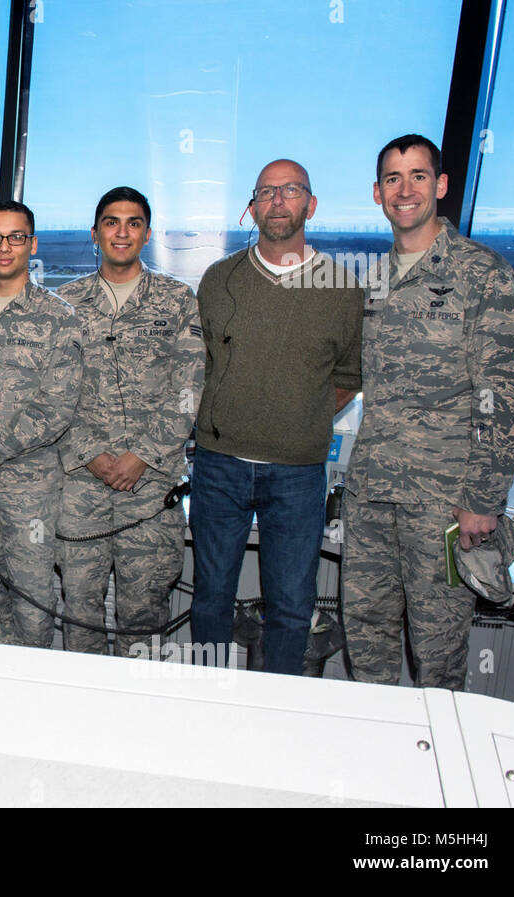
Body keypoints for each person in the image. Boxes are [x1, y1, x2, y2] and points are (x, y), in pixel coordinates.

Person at [342, 134, 514, 689]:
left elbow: (507, 400)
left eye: (419, 176)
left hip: (444, 507)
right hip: (372, 495)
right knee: (368, 643)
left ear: (442, 185)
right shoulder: (376, 279)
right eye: (394, 180)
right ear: (378, 193)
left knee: (439, 656)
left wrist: (480, 501)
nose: (406, 191)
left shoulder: (481, 274)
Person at [189, 159, 363, 675]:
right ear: (252, 206)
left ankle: (280, 715)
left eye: (290, 190)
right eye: (266, 192)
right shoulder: (219, 280)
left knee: (291, 606)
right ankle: (207, 701)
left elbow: (347, 378)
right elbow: (202, 367)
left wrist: (293, 417)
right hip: (218, 467)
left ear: (311, 204)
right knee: (210, 597)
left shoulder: (342, 288)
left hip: (297, 474)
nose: (278, 201)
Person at [55, 187, 204, 657]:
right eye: (112, 222)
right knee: (80, 609)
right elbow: (52, 393)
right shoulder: (64, 303)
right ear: (95, 233)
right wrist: (91, 455)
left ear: (147, 233)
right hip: (81, 484)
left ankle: (139, 718)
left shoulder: (177, 300)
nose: (122, 232)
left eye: (133, 223)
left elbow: (189, 387)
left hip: (150, 486)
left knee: (143, 613)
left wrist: (142, 455)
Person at [0, 200, 81, 647]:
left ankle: (32, 699)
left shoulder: (58, 317)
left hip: (30, 489)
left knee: (32, 601)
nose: (4, 247)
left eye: (16, 237)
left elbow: (58, 405)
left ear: (33, 244)